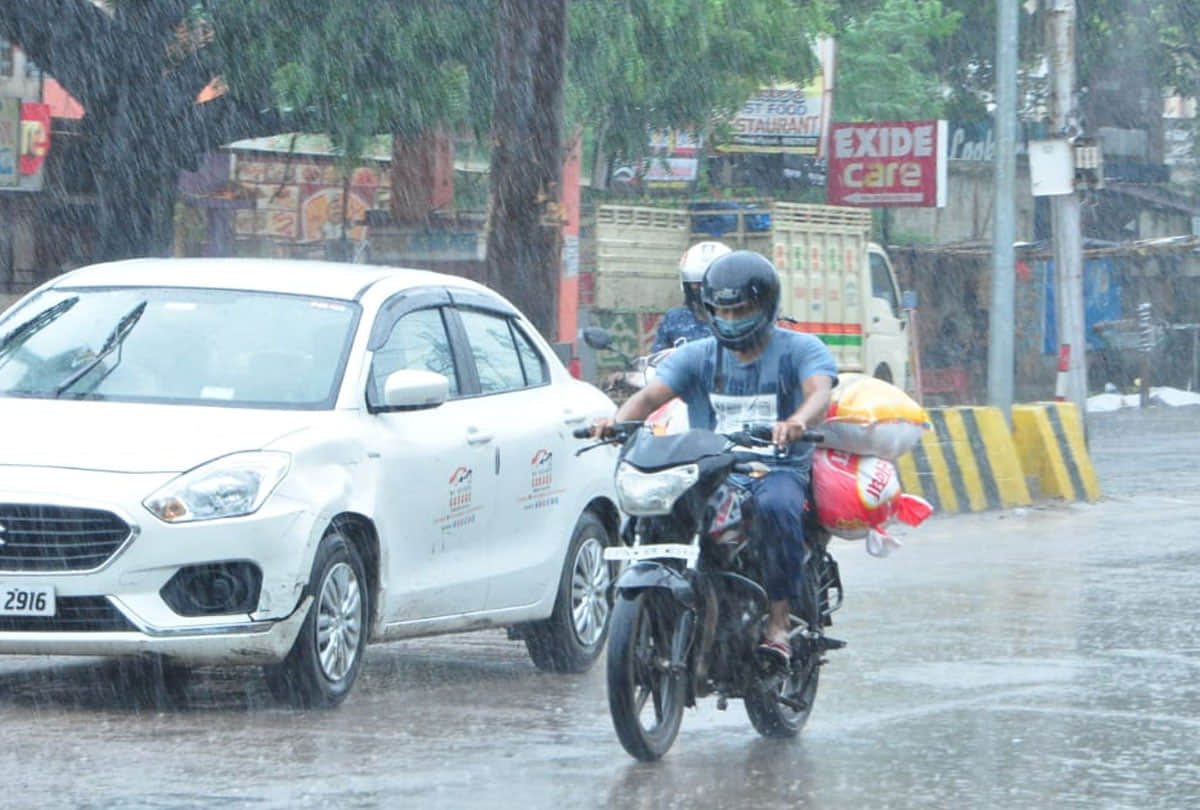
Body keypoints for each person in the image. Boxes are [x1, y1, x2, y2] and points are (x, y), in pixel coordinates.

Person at [594, 250, 836, 667]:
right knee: (658, 511)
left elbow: (819, 391)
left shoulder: (799, 349)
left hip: (774, 469)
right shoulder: (699, 355)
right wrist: (616, 421)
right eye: (721, 310)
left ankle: (778, 624)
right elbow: (650, 396)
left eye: (740, 309)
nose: (730, 318)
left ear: (765, 305)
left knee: (778, 509)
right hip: (712, 470)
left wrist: (797, 420)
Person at [649, 241, 732, 352]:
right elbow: (657, 360)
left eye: (706, 284)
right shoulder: (675, 319)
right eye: (696, 283)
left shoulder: (737, 321)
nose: (702, 289)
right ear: (687, 284)